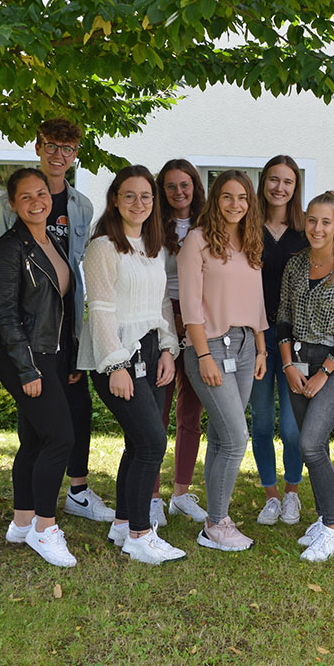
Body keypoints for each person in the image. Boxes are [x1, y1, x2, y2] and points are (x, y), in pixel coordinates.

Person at [0, 118, 113, 524]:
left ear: (76, 153)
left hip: (65, 329)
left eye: (68, 148)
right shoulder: (15, 213)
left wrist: (77, 337)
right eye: (52, 146)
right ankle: (37, 520)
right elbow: (8, 283)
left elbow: (73, 270)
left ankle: (64, 499)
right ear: (38, 146)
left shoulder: (81, 206)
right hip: (29, 336)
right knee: (49, 432)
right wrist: (17, 349)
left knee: (71, 416)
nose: (59, 155)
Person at [79, 166, 184, 565]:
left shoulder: (153, 247)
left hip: (154, 351)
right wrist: (115, 365)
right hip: (119, 355)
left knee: (138, 443)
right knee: (153, 442)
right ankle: (141, 536)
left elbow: (160, 304)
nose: (138, 203)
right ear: (115, 200)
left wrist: (170, 350)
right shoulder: (104, 247)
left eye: (146, 196)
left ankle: (124, 522)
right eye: (129, 196)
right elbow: (101, 311)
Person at [0, 169, 80, 567]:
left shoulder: (51, 241)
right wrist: (28, 370)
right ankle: (45, 529)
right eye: (25, 197)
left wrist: (71, 355)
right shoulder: (9, 248)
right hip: (26, 359)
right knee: (61, 438)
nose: (35, 201)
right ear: (13, 204)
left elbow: (62, 307)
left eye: (41, 193)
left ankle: (22, 521)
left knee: (34, 441)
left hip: (54, 355)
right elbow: (7, 316)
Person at [180, 170, 269, 552]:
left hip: (247, 345)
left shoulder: (250, 242)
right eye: (228, 197)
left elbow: (257, 300)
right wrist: (203, 354)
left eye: (243, 198)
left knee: (221, 435)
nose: (236, 204)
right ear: (215, 199)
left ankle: (215, 516)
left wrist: (262, 348)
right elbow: (189, 305)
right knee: (236, 437)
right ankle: (217, 523)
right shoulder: (197, 242)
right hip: (212, 344)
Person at [278, 192, 334, 561]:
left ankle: (333, 528)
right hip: (297, 361)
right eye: (312, 220)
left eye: (325, 222)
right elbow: (282, 316)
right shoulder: (295, 265)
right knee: (314, 446)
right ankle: (322, 518)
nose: (317, 228)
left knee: (311, 444)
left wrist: (324, 373)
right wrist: (287, 365)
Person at [251, 156, 308, 527]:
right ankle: (270, 495)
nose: (280, 187)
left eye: (287, 181)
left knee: (291, 426)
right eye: (274, 179)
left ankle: (292, 493)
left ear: (295, 187)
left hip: (296, 341)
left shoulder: (305, 233)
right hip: (253, 338)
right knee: (261, 422)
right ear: (264, 182)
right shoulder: (247, 228)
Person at [153, 159, 209, 524]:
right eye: (171, 186)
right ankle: (152, 495)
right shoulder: (153, 225)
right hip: (160, 313)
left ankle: (182, 493)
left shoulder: (208, 224)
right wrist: (169, 320)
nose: (178, 192)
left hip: (198, 318)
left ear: (195, 186)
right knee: (157, 408)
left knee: (191, 411)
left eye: (185, 184)